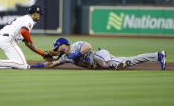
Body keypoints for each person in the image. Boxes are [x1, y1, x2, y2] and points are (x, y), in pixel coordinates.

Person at [32, 37, 166, 70]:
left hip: (101, 55)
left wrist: (76, 54)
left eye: (57, 47)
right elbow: (51, 64)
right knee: (133, 59)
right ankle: (158, 55)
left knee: (99, 60)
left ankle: (118, 64)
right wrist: (32, 66)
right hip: (103, 62)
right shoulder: (66, 58)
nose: (56, 50)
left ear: (63, 44)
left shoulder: (75, 46)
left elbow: (88, 46)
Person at [0, 5, 47, 69]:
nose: (39, 16)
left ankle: (1, 66)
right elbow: (24, 31)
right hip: (7, 40)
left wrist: (42, 53)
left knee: (16, 63)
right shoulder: (29, 20)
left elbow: (28, 44)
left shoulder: (24, 19)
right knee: (22, 65)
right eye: (39, 14)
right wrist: (31, 41)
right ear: (35, 13)